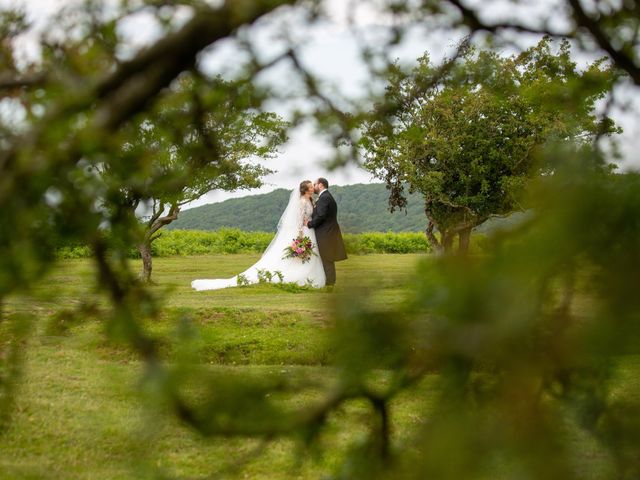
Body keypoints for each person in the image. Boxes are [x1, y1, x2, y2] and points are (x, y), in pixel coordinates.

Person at [191, 180, 326, 291]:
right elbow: (298, 219)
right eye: (310, 187)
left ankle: (309, 276)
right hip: (303, 231)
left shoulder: (310, 200)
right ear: (305, 190)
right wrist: (300, 236)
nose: (312, 188)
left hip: (310, 230)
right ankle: (297, 276)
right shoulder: (302, 201)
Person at [304, 177, 347, 288]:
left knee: (327, 259)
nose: (313, 186)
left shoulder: (324, 197)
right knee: (327, 259)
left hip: (326, 233)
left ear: (321, 185)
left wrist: (309, 224)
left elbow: (321, 216)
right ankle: (328, 283)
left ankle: (330, 284)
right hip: (327, 232)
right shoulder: (325, 197)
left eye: (315, 184)